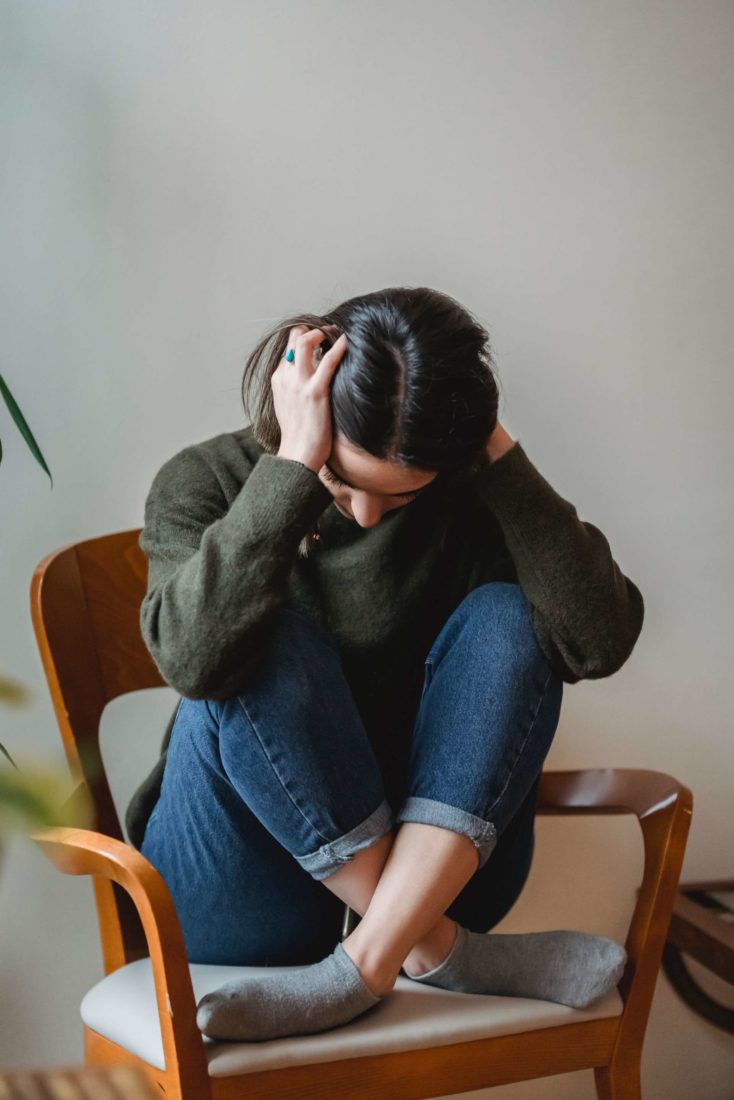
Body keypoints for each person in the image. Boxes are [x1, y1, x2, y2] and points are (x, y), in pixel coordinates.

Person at [128, 285, 644, 1043]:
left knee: (511, 619)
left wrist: (496, 455)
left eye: (398, 498)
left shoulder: (468, 493)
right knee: (259, 638)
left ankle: (365, 961)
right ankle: (435, 949)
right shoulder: (204, 481)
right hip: (236, 885)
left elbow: (596, 641)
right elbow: (192, 659)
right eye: (345, 480)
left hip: (440, 865)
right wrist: (293, 472)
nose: (366, 514)